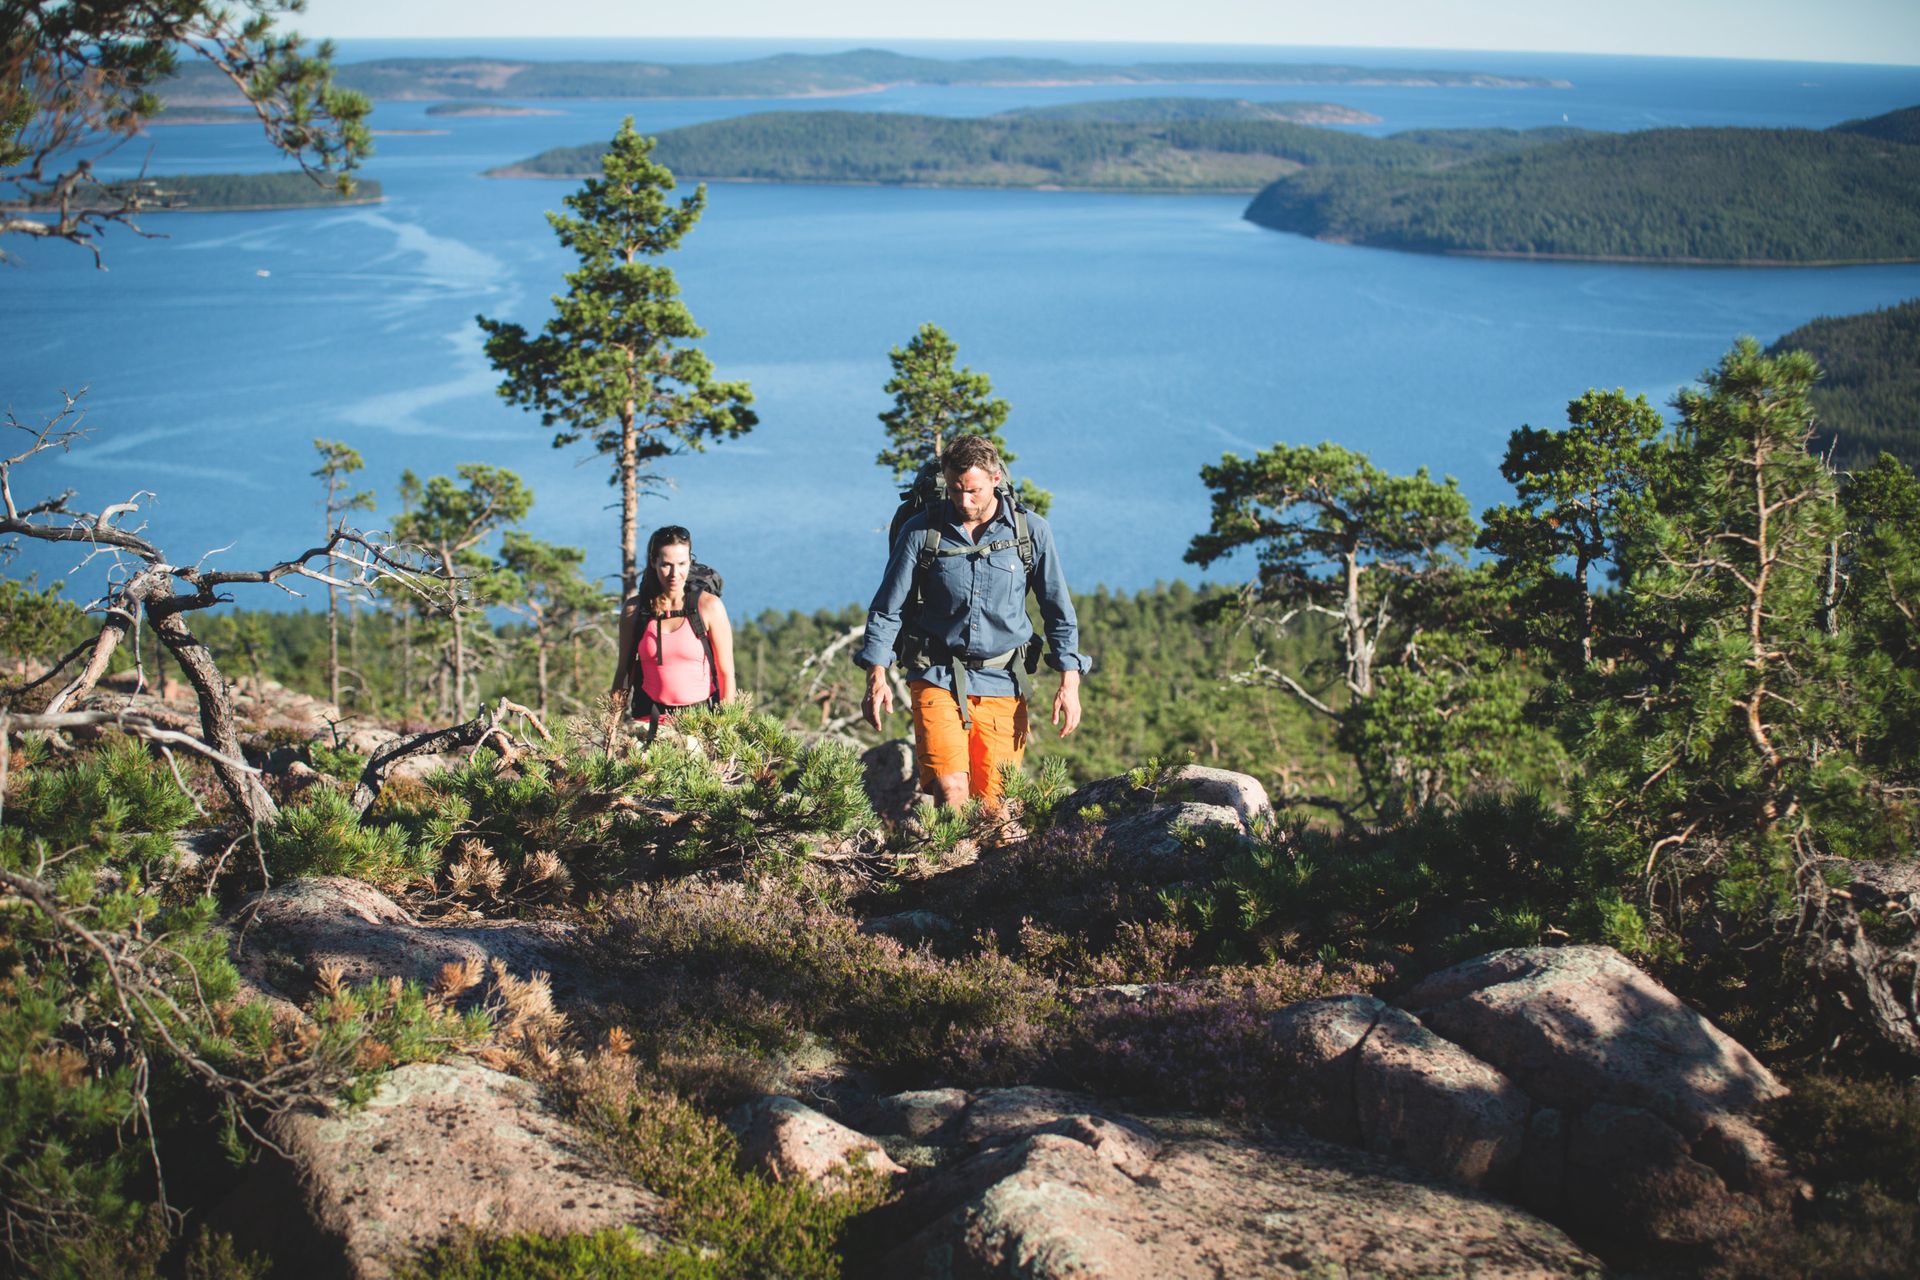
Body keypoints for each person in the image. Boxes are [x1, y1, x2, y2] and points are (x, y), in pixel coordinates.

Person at [857, 435, 1088, 810]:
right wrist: (876, 676)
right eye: (955, 490)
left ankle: (981, 869)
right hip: (936, 675)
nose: (964, 501)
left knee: (995, 808)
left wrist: (1069, 682)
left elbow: (1058, 610)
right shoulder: (921, 532)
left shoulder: (1030, 532)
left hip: (1004, 680)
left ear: (996, 480)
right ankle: (950, 865)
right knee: (952, 792)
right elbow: (887, 609)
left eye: (974, 491)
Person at [611, 525, 735, 733]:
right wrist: (611, 728)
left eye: (682, 564)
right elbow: (624, 671)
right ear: (653, 562)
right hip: (647, 722)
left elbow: (726, 674)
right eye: (666, 565)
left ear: (690, 561)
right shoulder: (635, 611)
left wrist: (725, 731)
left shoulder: (708, 607)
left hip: (700, 724)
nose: (675, 574)